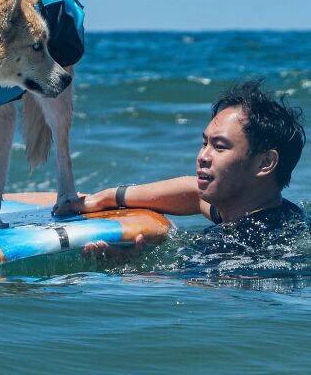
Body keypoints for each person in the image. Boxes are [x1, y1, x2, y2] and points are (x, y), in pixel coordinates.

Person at [54, 80, 308, 254]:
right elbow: (192, 193)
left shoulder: (238, 245)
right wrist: (107, 198)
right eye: (204, 143)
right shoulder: (280, 214)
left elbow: (194, 289)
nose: (203, 156)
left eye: (219, 147)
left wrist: (131, 270)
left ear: (265, 163)